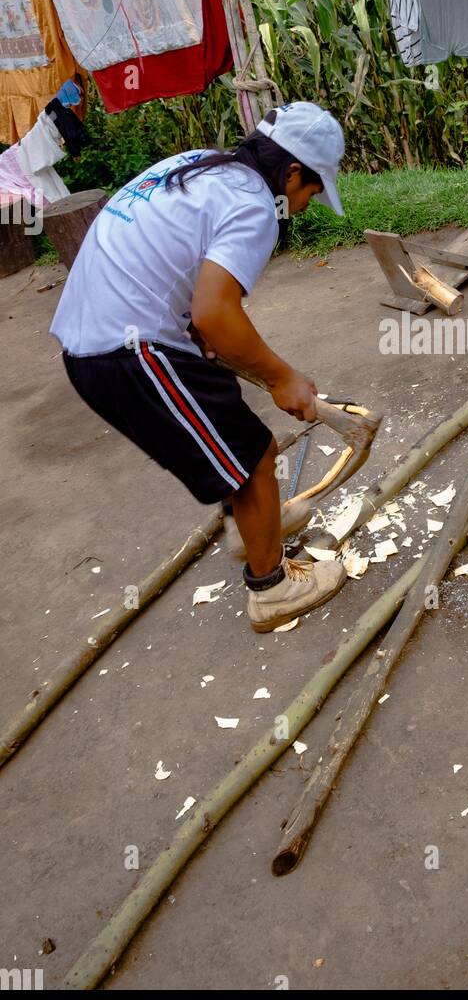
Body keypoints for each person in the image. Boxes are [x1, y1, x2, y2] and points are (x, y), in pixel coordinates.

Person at [50, 102, 349, 633]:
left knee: (233, 439)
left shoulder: (204, 164)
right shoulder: (255, 205)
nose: (305, 206)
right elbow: (217, 311)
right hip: (126, 352)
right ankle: (272, 588)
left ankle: (250, 527)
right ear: (293, 173)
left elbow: (172, 269)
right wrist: (283, 378)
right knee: (255, 455)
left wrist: (192, 327)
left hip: (98, 337)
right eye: (312, 192)